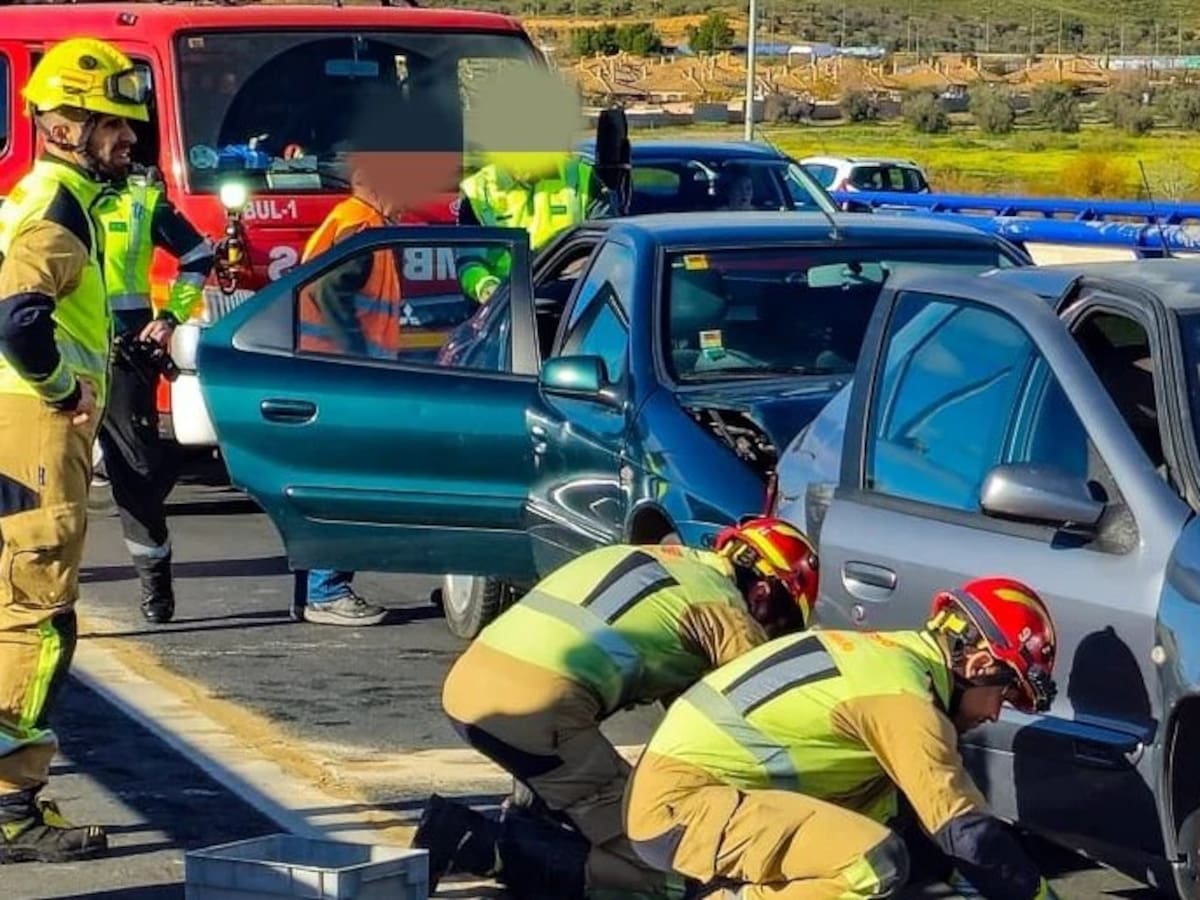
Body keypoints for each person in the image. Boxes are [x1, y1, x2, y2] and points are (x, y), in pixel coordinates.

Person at [411, 517, 820, 899]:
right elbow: (754, 738)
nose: (774, 639)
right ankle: (479, 843)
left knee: (585, 779)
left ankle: (536, 822)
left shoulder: (657, 561)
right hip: (540, 716)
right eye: (784, 625)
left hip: (473, 686)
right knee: (667, 865)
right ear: (764, 595)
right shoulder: (729, 615)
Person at [623, 577, 1062, 900]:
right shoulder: (904, 700)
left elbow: (903, 820)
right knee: (872, 865)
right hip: (679, 806)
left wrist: (957, 877)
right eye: (1005, 694)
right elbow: (965, 831)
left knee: (880, 835)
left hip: (686, 794)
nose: (994, 713)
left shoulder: (888, 661)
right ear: (981, 664)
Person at [0, 37, 152, 862]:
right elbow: (18, 317)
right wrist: (64, 390)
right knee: (38, 616)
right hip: (32, 426)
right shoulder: (56, 206)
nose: (128, 141)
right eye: (113, 126)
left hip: (16, 423)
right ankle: (11, 809)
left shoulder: (49, 195)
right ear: (64, 127)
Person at [93, 165, 215, 624]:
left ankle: (155, 583)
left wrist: (169, 317)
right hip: (61, 356)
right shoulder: (46, 197)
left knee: (138, 472)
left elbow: (198, 254)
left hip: (123, 359)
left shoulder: (140, 201)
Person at [291, 164, 401, 626]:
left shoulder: (346, 220)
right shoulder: (362, 228)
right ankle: (327, 591)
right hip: (346, 377)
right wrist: (357, 359)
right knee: (347, 485)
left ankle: (312, 591)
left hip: (325, 372)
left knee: (327, 482)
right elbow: (330, 292)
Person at [456, 149, 615, 303]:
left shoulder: (580, 178)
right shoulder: (477, 192)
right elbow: (469, 262)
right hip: (508, 307)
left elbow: (609, 248)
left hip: (572, 305)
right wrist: (486, 287)